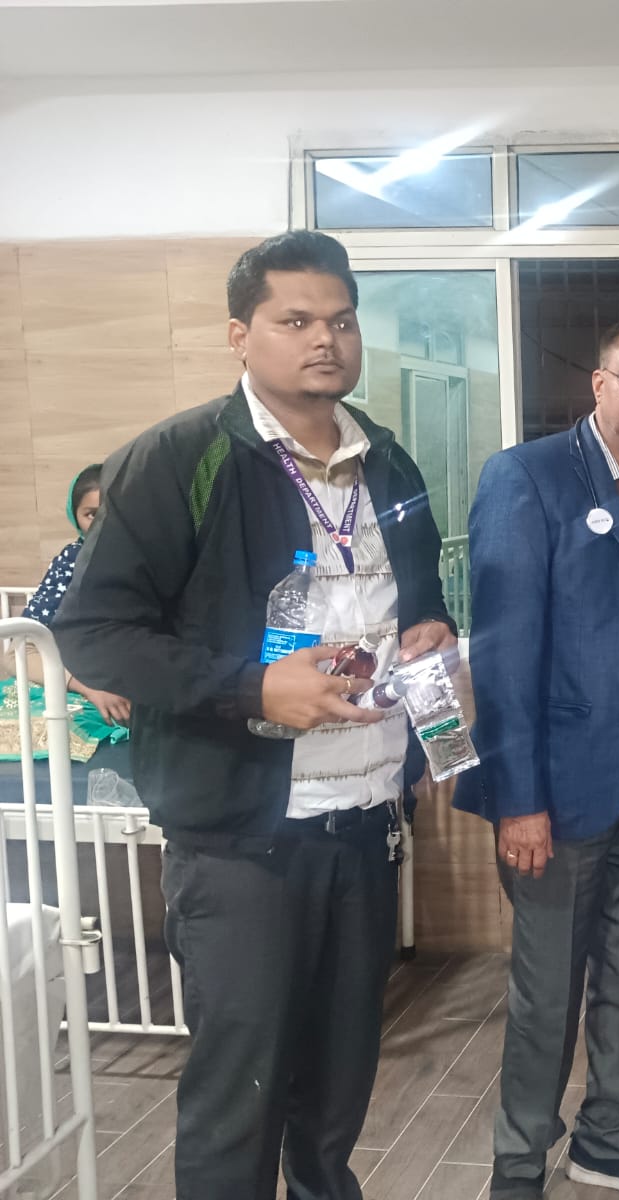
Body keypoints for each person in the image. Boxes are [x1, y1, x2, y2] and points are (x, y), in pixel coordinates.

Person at [51, 230, 456, 1200]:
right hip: (240, 837)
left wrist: (431, 630)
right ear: (241, 334)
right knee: (241, 1093)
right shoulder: (177, 459)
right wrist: (252, 688)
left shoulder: (389, 462)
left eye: (342, 321)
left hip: (365, 823)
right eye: (296, 320)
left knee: (338, 1086)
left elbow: (419, 588)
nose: (325, 340)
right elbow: (93, 633)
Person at [462, 315, 619, 1200]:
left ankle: (608, 1139)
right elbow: (502, 653)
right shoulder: (527, 477)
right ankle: (518, 1162)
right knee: (545, 988)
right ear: (599, 384)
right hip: (557, 786)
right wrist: (518, 797)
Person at [21, 464, 131, 726]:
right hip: (74, 684)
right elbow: (23, 649)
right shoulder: (71, 562)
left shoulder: (150, 561)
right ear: (75, 516)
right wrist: (89, 689)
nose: (105, 523)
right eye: (92, 514)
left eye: (115, 512)